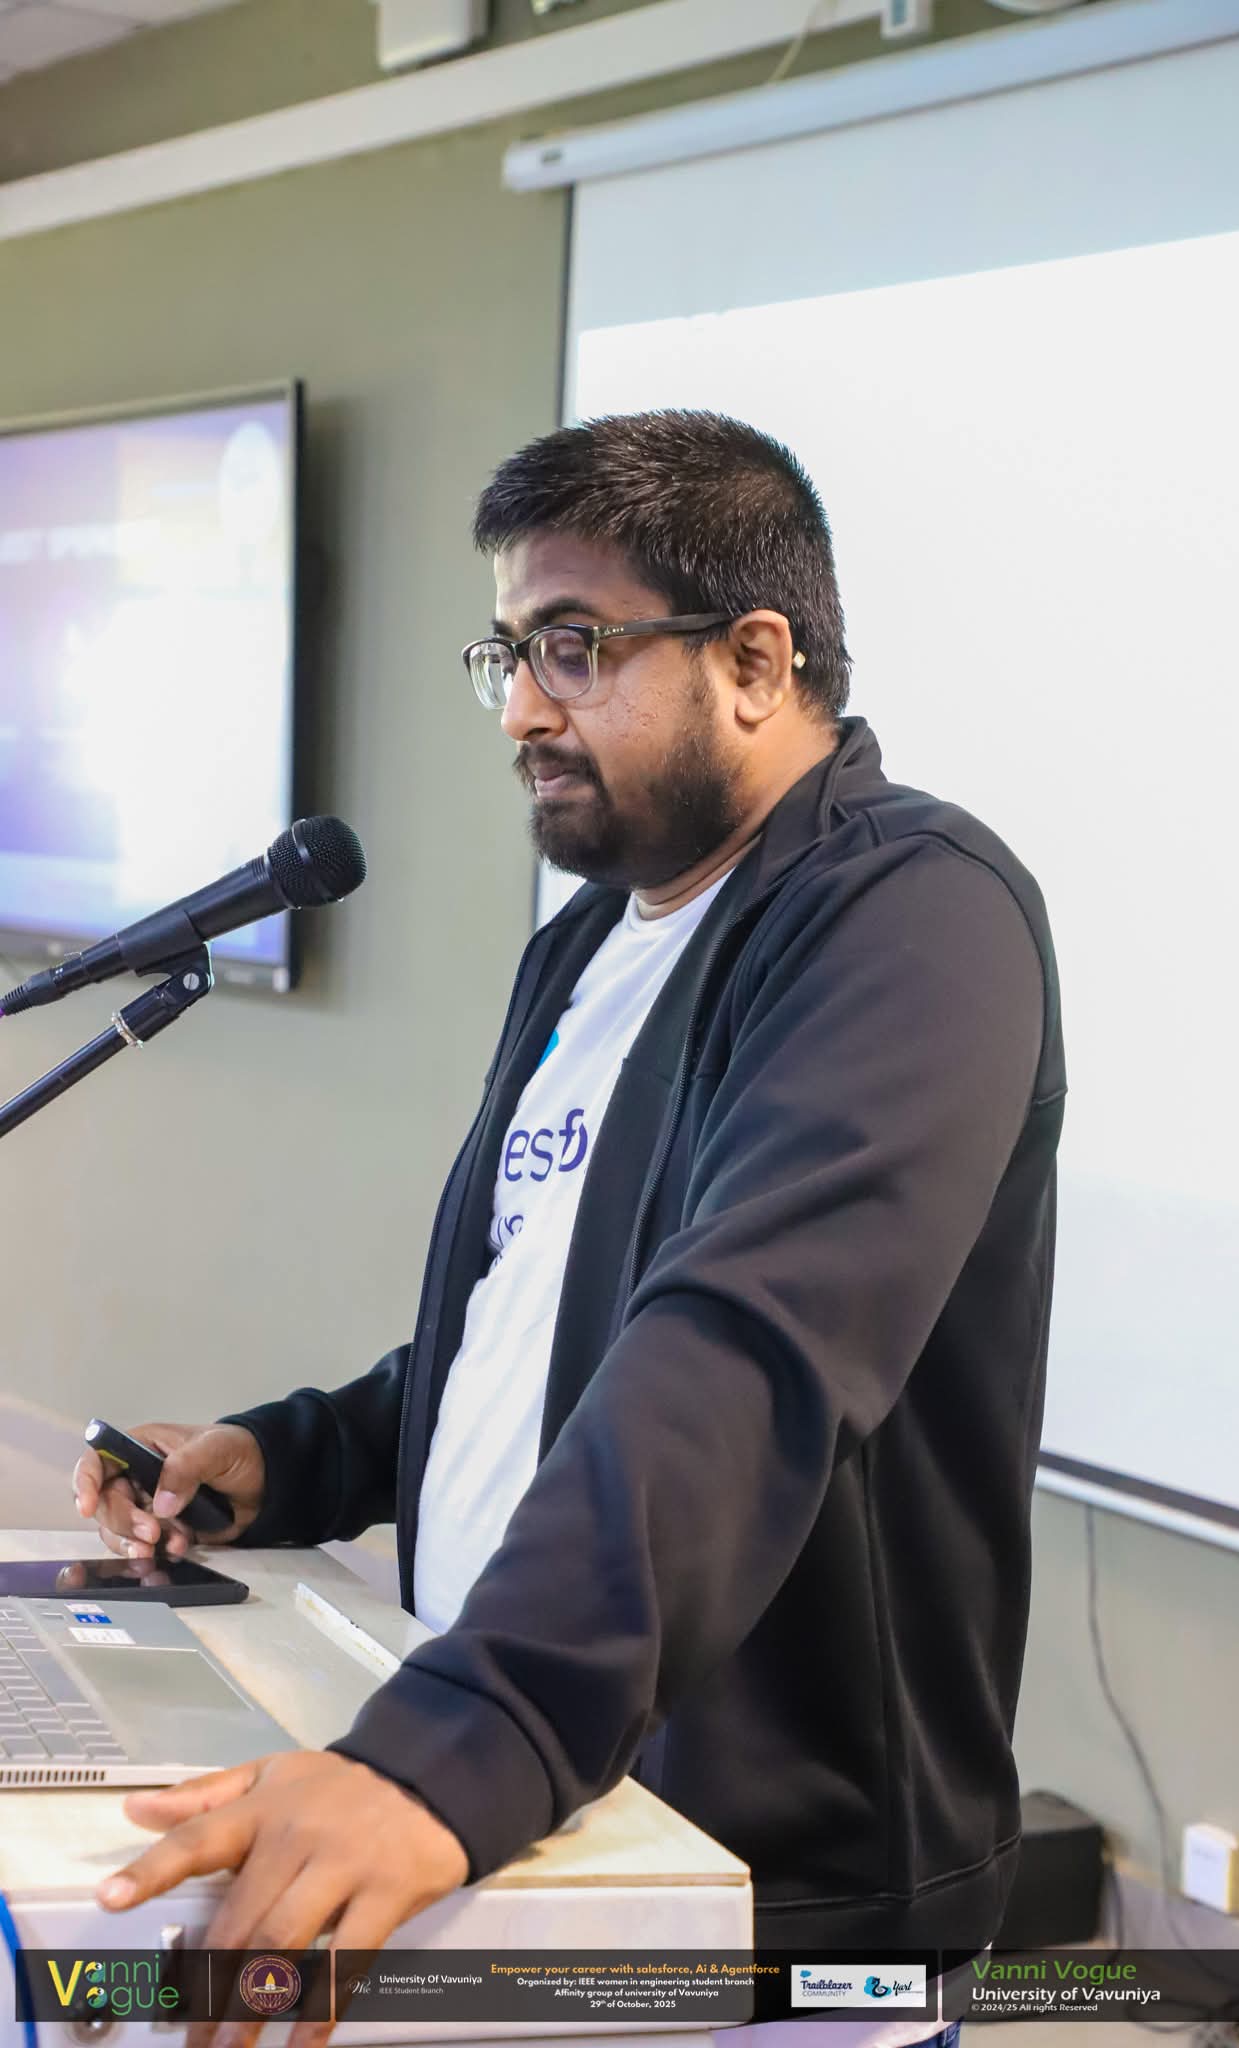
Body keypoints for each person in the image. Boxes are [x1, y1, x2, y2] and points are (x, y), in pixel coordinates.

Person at [74, 409, 1065, 2048]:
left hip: (757, 1911)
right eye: (510, 652)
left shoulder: (910, 914)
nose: (524, 707)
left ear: (755, 661)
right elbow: (541, 1321)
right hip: (547, 1821)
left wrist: (451, 1748)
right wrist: (304, 1455)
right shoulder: (592, 945)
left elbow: (741, 1357)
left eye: (574, 646)